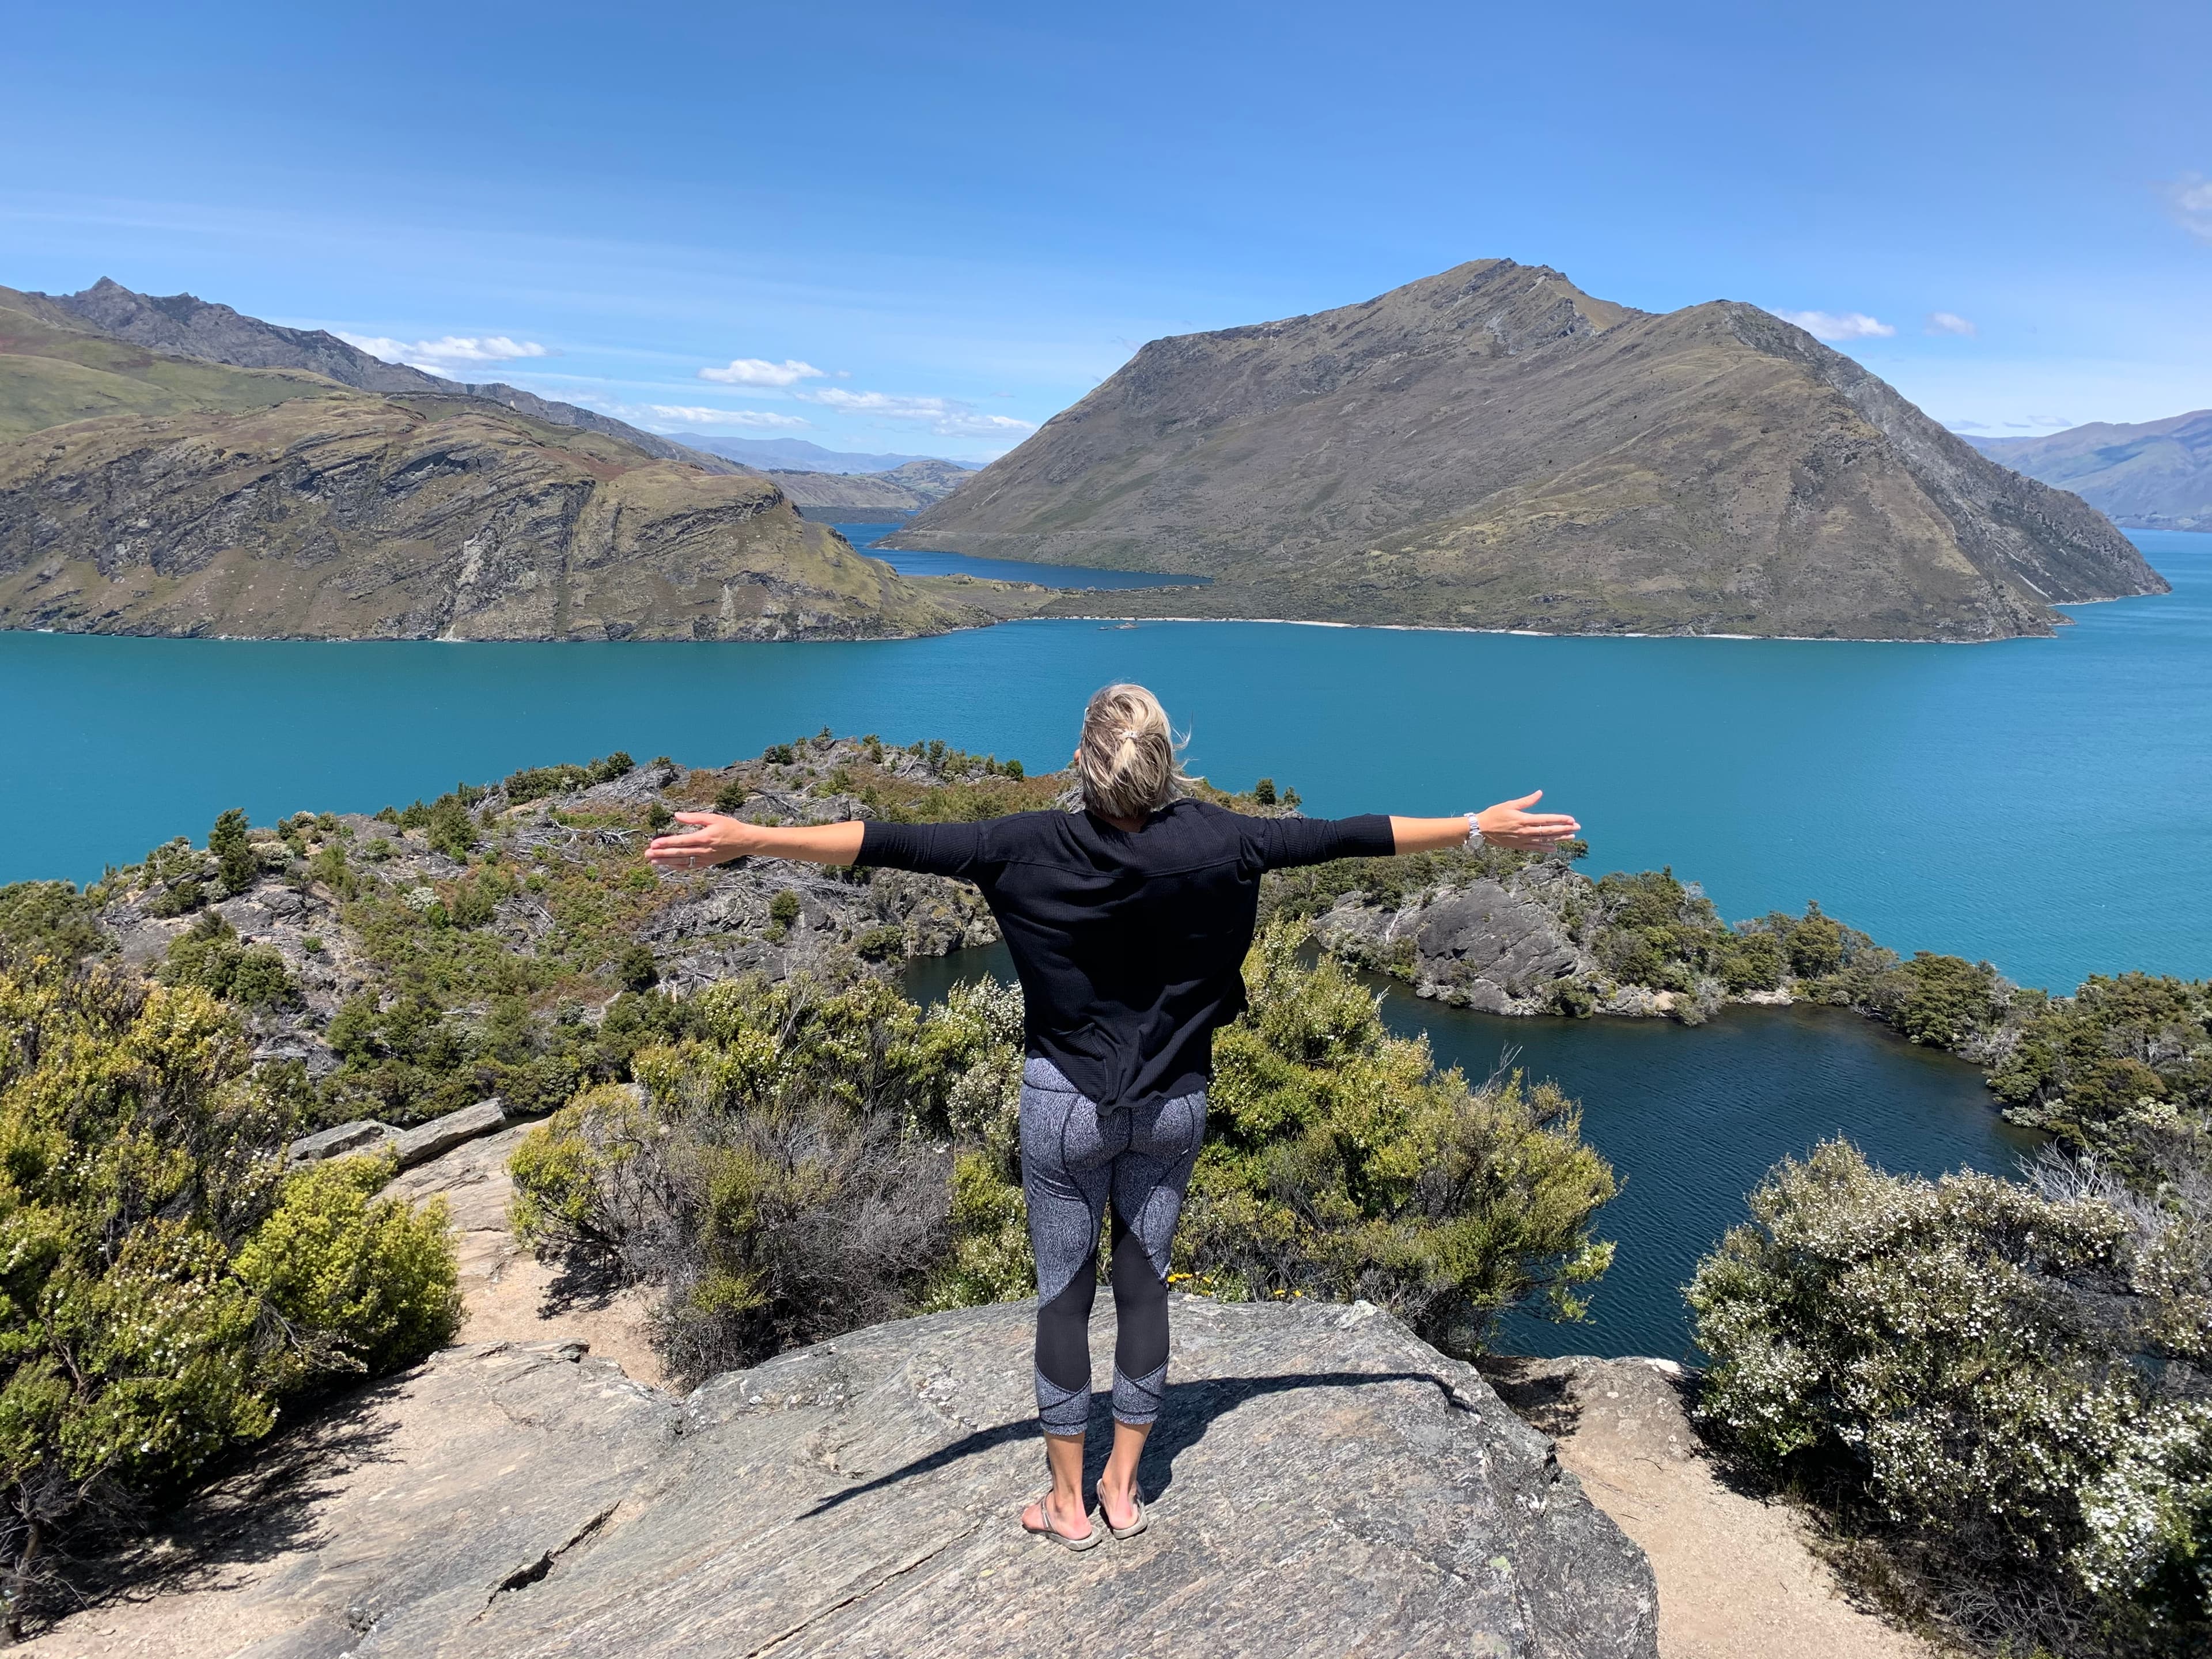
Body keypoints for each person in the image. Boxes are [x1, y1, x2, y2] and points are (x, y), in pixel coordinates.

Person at [645, 684, 1581, 1551]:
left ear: (1084, 762)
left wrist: (753, 837)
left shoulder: (1019, 845)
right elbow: (1350, 837)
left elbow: (879, 839)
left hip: (1064, 1105)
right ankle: (1126, 1491)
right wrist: (1475, 828)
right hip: (1174, 1103)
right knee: (1142, 1286)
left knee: (1065, 1291)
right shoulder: (1226, 840)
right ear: (1167, 760)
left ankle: (1067, 1505)